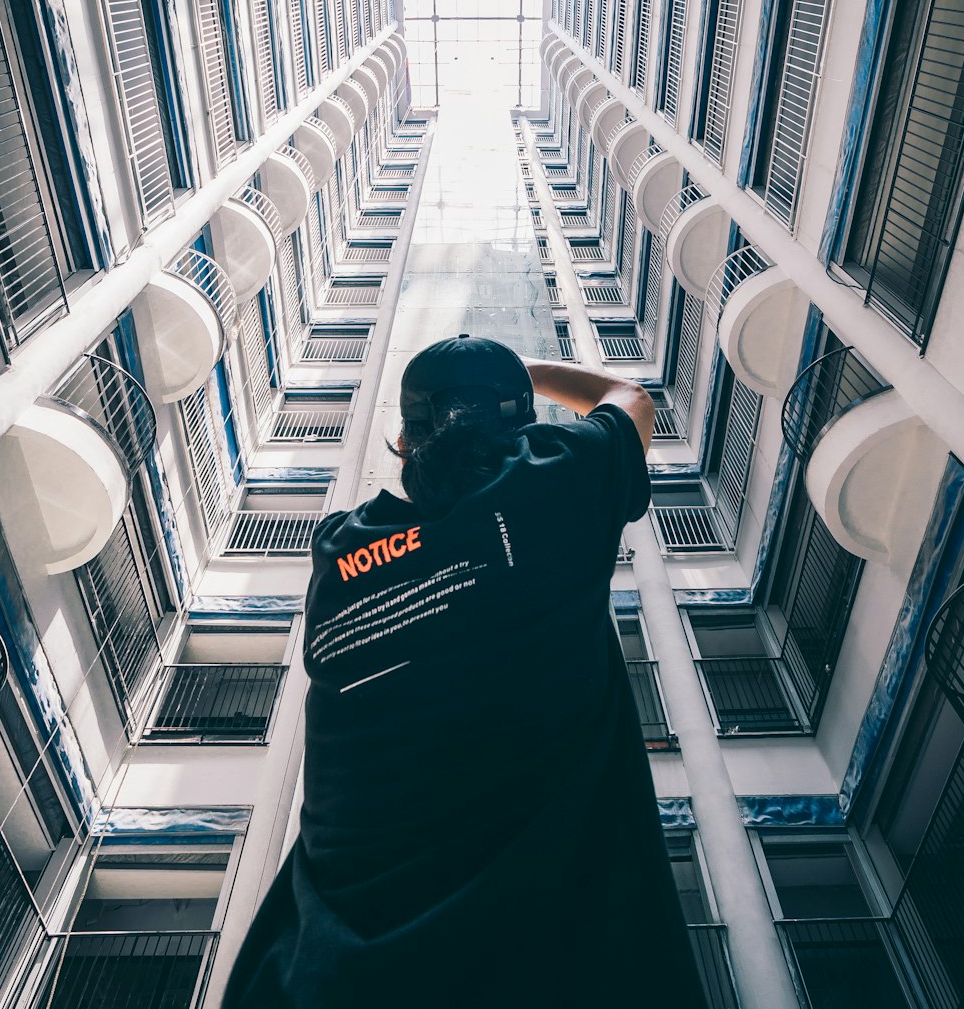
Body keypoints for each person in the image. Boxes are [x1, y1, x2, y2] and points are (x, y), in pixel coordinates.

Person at [222, 335, 708, 1009]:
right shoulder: (556, 480)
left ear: (402, 442)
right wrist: (527, 369)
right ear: (521, 426)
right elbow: (629, 400)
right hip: (540, 964)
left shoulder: (338, 554)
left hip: (322, 975)